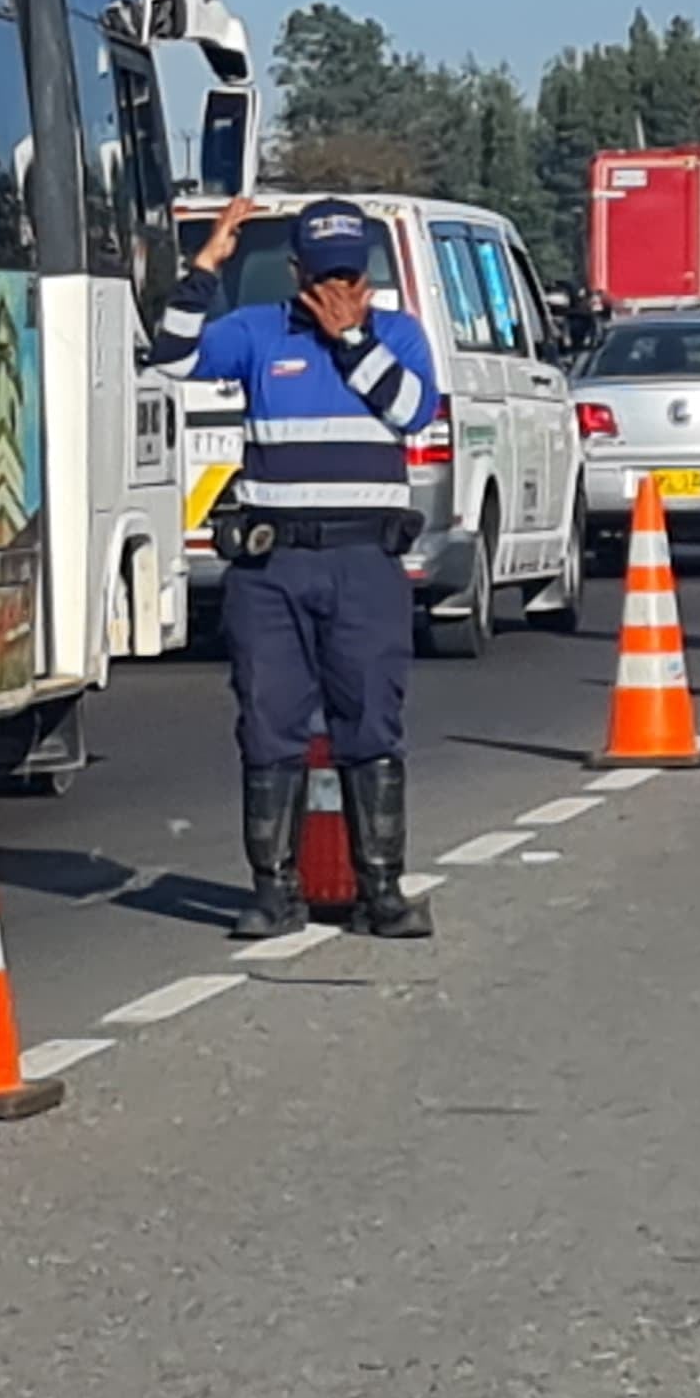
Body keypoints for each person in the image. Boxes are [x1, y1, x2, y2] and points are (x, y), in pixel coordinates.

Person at [152, 196, 440, 942]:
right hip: (273, 565)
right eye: (325, 274)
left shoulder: (398, 336)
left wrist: (352, 343)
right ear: (296, 272)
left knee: (371, 720)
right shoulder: (258, 331)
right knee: (268, 724)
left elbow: (413, 411)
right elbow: (173, 355)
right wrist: (203, 270)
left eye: (351, 273)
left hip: (363, 563)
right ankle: (274, 891)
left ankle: (382, 889)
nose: (339, 288)